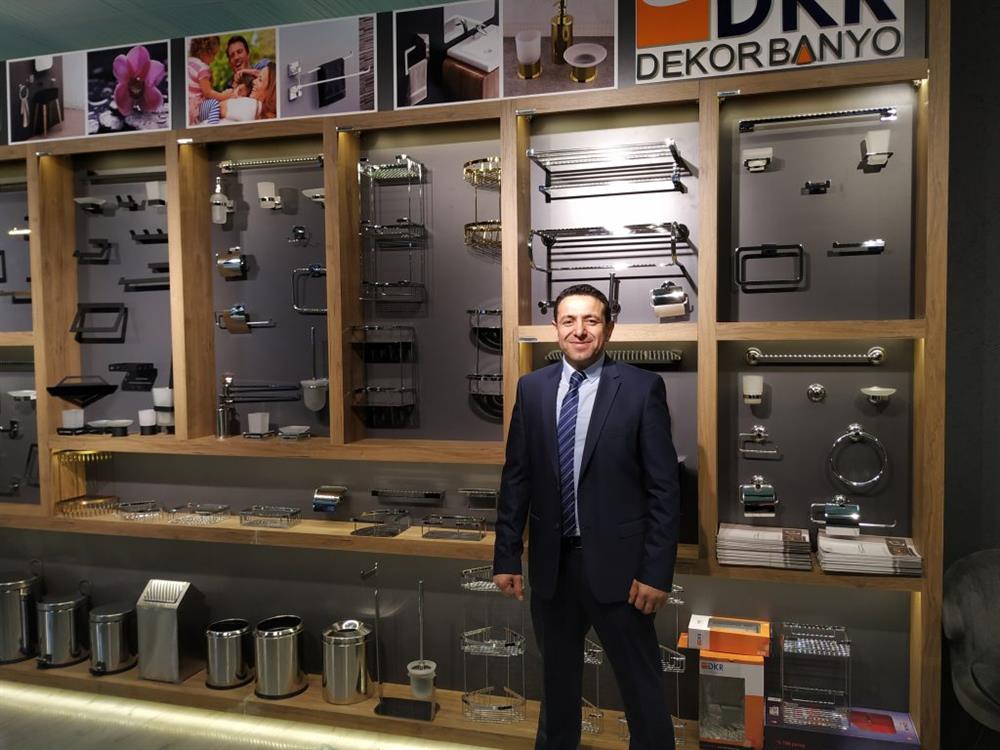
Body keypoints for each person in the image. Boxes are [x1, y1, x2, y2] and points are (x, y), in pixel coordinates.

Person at [493, 283, 680, 749]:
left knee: (642, 691)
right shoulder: (532, 389)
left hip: (622, 573)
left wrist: (656, 572)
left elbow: (664, 488)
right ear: (555, 329)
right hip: (552, 569)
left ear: (608, 329)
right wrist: (506, 555)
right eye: (569, 321)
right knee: (557, 690)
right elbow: (516, 477)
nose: (580, 330)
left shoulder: (641, 388)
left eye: (591, 320)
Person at [187, 36, 233, 126]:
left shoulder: (188, 62)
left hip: (187, 105)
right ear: (206, 52)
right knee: (214, 104)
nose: (213, 59)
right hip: (195, 108)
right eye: (214, 54)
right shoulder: (203, 68)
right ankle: (212, 127)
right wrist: (223, 96)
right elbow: (207, 92)